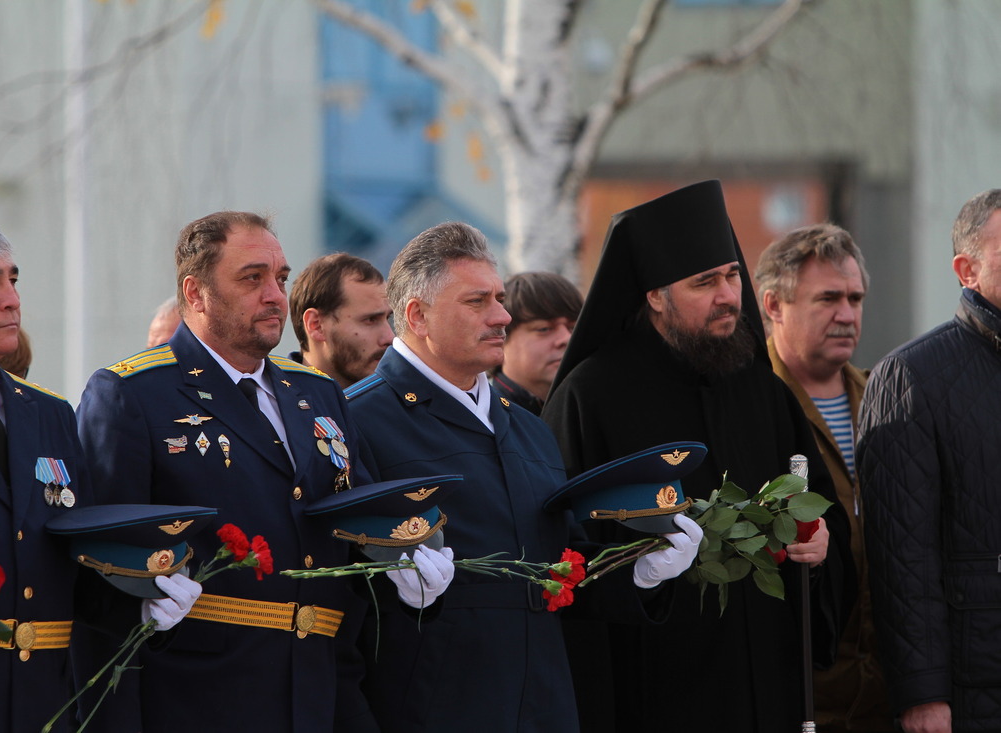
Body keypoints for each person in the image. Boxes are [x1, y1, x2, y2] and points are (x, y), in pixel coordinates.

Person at [76, 211, 453, 732]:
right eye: (251, 278)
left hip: (322, 694)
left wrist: (409, 575)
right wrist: (137, 614)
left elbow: (360, 526)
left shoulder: (316, 393)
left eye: (279, 278)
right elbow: (98, 571)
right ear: (197, 292)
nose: (276, 295)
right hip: (199, 697)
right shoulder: (134, 394)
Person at [344, 221, 702, 733]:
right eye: (477, 302)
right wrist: (403, 599)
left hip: (542, 706)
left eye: (500, 298)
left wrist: (640, 570)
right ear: (418, 316)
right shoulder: (357, 422)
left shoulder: (529, 430)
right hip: (428, 710)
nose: (502, 316)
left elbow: (563, 569)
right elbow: (337, 594)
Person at [543, 181, 854, 733]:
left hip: (769, 685)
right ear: (654, 295)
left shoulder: (762, 390)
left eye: (732, 275)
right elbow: (564, 553)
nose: (729, 296)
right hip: (659, 688)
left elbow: (822, 509)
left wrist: (821, 537)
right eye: (704, 282)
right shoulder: (591, 398)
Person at [0, 217, 197, 732]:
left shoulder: (50, 413)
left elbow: (67, 558)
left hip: (45, 705)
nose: (12, 298)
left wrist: (140, 604)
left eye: (13, 280)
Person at [858, 188, 1001, 733]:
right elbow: (901, 559)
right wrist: (922, 694)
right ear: (967, 269)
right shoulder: (911, 376)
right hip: (972, 689)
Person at [755, 223, 891, 732]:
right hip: (799, 695)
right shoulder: (748, 407)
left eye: (855, 297)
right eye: (828, 298)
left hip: (885, 693)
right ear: (773, 306)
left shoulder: (889, 397)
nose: (847, 314)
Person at [287, 252, 394, 387]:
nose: (390, 338)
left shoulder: (403, 400)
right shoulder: (271, 404)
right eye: (370, 320)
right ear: (316, 325)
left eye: (388, 318)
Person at [489, 271, 582, 415]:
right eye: (544, 329)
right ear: (500, 339)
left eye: (573, 327)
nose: (566, 338)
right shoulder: (486, 419)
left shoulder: (590, 410)